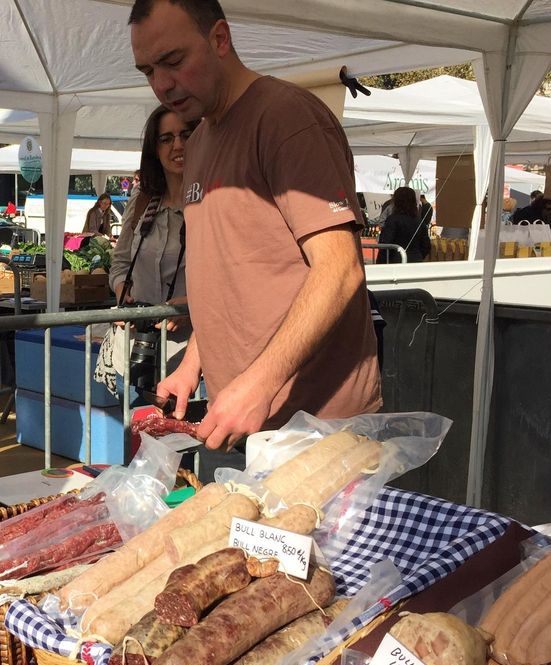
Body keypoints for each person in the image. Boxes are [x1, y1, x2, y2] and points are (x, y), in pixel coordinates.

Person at [132, 0, 381, 451]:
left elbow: (341, 270)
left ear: (220, 39)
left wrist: (259, 384)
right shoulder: (202, 138)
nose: (162, 85)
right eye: (148, 71)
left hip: (319, 427)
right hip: (244, 420)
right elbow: (231, 277)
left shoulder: (287, 119)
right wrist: (194, 364)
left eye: (173, 61)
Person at [95, 105, 195, 396]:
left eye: (185, 135)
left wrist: (192, 304)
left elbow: (230, 275)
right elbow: (121, 262)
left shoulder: (211, 200)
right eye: (166, 138)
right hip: (137, 349)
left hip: (191, 356)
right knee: (138, 434)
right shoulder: (142, 199)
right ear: (154, 148)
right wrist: (122, 291)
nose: (177, 145)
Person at [376, 186, 430, 264]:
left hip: (395, 262)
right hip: (415, 261)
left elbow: (385, 244)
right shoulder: (419, 221)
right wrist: (418, 256)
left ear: (396, 201)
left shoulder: (392, 220)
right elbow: (426, 245)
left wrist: (380, 263)